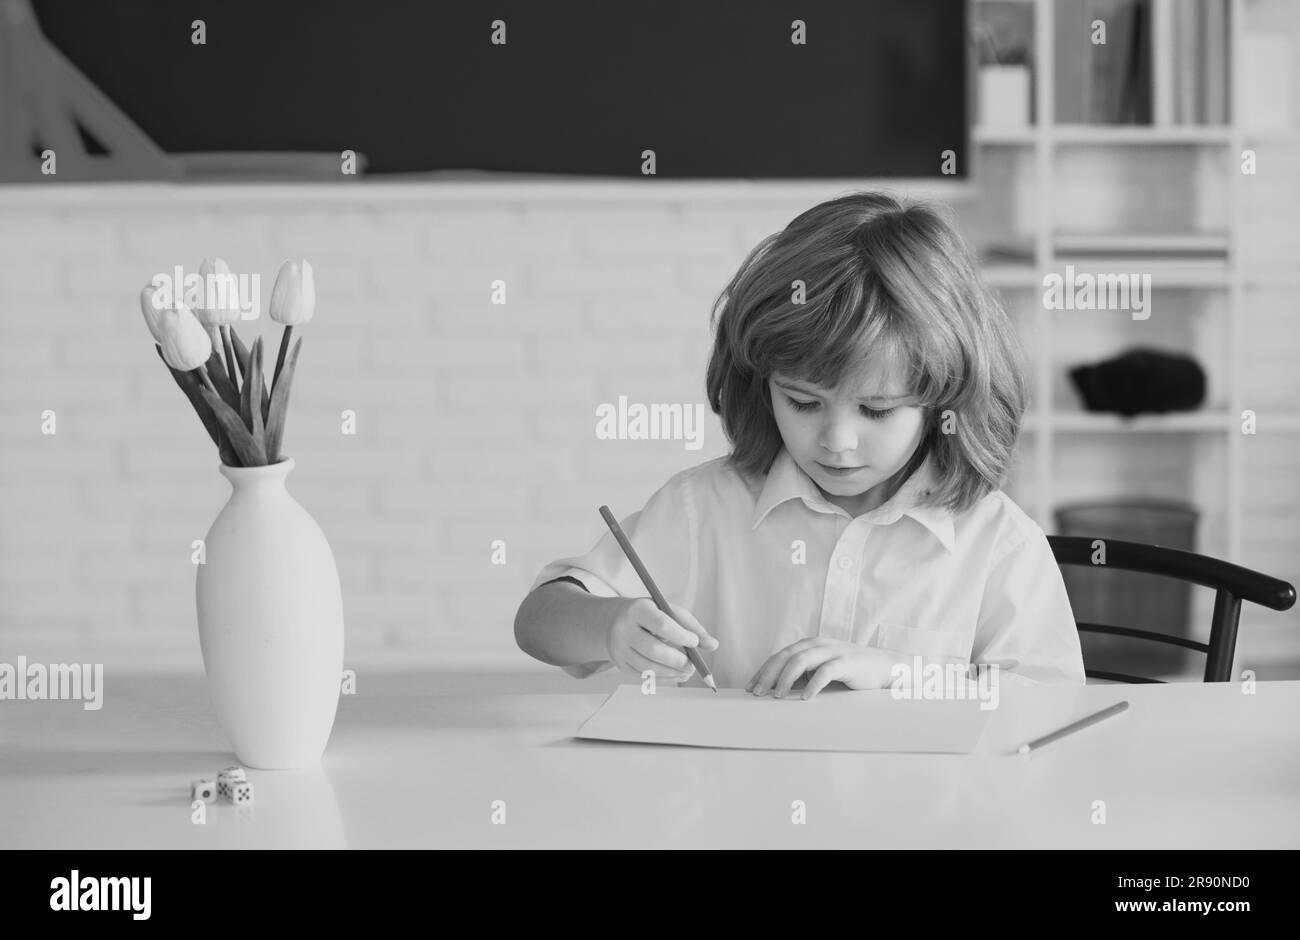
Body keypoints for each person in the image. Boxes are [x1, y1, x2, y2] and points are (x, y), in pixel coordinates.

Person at [514, 191, 1085, 699]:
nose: (837, 441)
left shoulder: (995, 540)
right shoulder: (705, 508)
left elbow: (1050, 699)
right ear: (761, 386)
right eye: (804, 403)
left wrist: (900, 674)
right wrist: (609, 625)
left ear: (942, 401)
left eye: (877, 410)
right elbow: (539, 621)